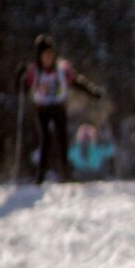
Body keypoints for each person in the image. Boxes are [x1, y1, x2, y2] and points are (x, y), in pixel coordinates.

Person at [19, 35, 104, 184]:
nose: (48, 59)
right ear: (39, 57)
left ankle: (65, 173)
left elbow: (77, 81)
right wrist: (20, 77)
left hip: (58, 107)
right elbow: (22, 88)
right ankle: (41, 176)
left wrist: (93, 91)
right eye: (45, 56)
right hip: (42, 108)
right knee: (45, 139)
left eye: (50, 55)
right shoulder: (34, 71)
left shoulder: (62, 69)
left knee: (62, 139)